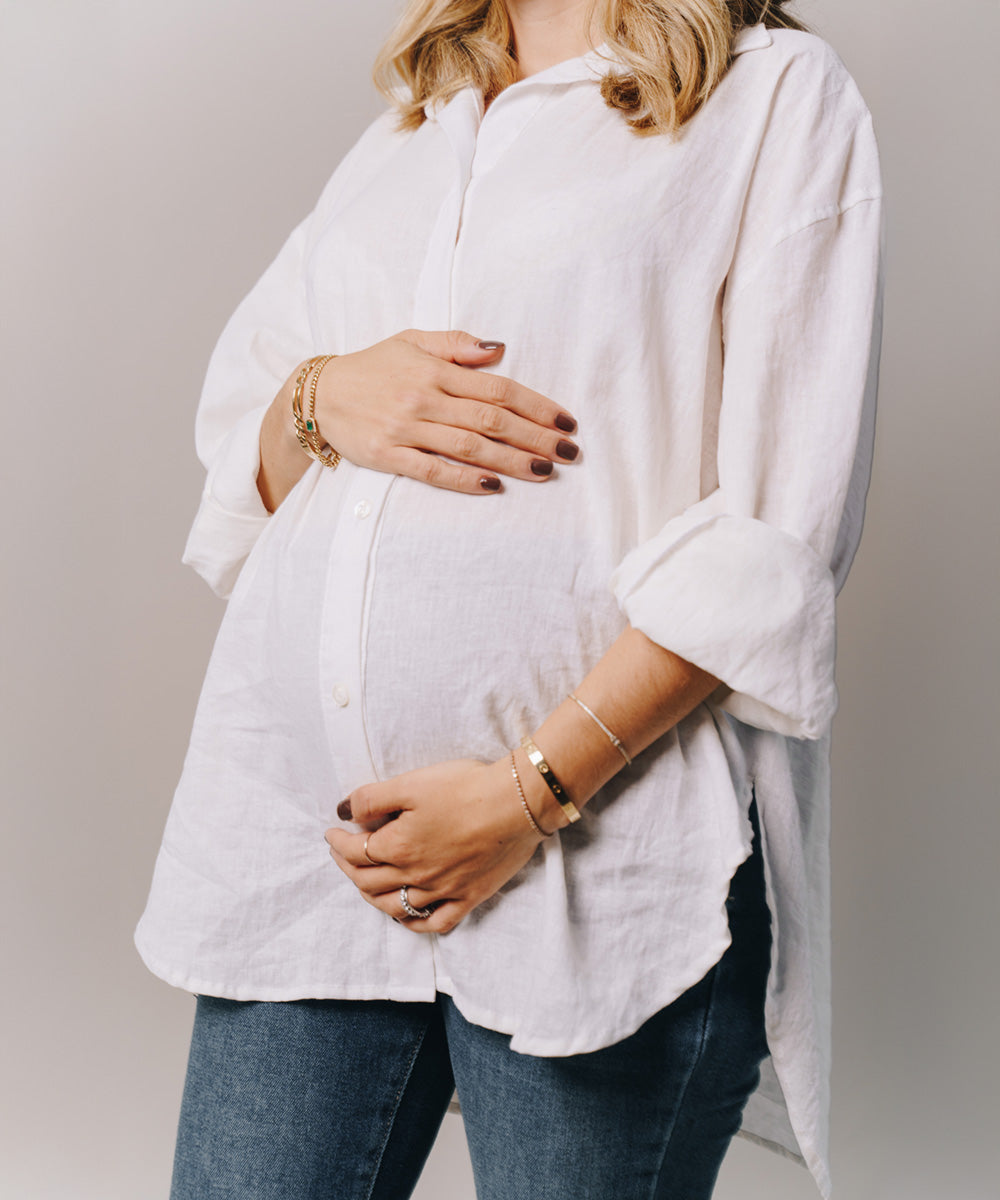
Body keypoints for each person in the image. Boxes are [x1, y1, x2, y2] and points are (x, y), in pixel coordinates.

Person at [134, 1, 885, 1197]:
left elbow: (773, 534)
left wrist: (523, 796)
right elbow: (255, 458)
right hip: (310, 857)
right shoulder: (410, 132)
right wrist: (327, 396)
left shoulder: (773, 94)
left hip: (602, 863)